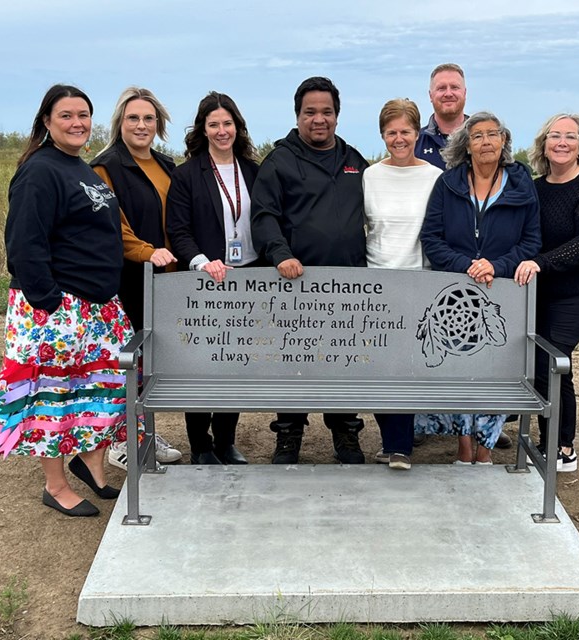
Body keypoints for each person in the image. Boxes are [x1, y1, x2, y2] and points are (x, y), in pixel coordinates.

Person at [0, 84, 128, 517]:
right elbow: (25, 244)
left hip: (96, 308)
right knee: (53, 397)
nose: (77, 123)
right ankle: (55, 484)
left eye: (83, 115)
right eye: (66, 115)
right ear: (47, 121)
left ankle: (91, 465)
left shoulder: (78, 166)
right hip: (57, 309)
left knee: (99, 391)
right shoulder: (40, 170)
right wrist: (49, 304)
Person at [250, 76, 370, 465]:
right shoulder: (280, 160)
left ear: (337, 115)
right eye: (310, 112)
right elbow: (264, 215)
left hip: (349, 286)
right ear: (297, 115)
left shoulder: (353, 161)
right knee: (294, 364)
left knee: (345, 364)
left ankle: (346, 433)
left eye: (327, 112)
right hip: (296, 285)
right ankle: (289, 434)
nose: (319, 120)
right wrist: (280, 253)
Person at [417, 111, 541, 464]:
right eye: (477, 136)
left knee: (497, 367)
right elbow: (432, 237)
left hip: (504, 289)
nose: (486, 141)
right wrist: (467, 266)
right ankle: (464, 444)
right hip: (455, 292)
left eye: (493, 134)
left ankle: (485, 448)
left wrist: (497, 266)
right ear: (466, 145)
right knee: (459, 368)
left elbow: (532, 241)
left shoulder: (521, 183)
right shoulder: (449, 183)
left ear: (504, 141)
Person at [414, 63, 513, 450]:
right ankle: (434, 423)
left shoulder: (486, 134)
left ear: (466, 93)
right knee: (441, 343)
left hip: (486, 265)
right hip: (439, 260)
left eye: (455, 86)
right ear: (431, 95)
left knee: (480, 346)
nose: (448, 92)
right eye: (441, 87)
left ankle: (484, 428)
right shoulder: (418, 140)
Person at [165, 91, 264, 466]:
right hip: (207, 280)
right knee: (203, 365)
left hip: (249, 277)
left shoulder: (254, 171)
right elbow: (178, 229)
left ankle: (225, 441)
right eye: (214, 125)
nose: (222, 131)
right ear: (202, 130)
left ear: (238, 127)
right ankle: (201, 446)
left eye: (228, 123)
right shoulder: (187, 174)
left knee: (237, 363)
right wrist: (202, 262)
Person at [90, 86, 183, 470]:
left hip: (164, 279)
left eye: (148, 118)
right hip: (127, 279)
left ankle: (143, 432)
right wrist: (148, 252)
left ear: (158, 124)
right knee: (126, 363)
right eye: (133, 118)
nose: (141, 125)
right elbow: (113, 227)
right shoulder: (104, 167)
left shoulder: (166, 165)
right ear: (120, 123)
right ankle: (119, 443)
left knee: (150, 364)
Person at [514, 113, 579, 472]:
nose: (562, 142)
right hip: (535, 292)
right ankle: (543, 439)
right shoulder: (536, 188)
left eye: (570, 137)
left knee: (553, 362)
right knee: (532, 364)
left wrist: (540, 262)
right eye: (555, 136)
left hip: (577, 294)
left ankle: (563, 447)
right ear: (543, 144)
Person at [363, 98, 443, 470]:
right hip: (377, 278)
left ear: (417, 133)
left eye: (405, 132)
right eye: (391, 132)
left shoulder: (434, 176)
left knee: (407, 367)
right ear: (382, 135)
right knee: (378, 365)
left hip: (419, 281)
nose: (399, 139)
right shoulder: (370, 176)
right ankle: (392, 439)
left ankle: (400, 446)